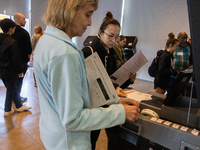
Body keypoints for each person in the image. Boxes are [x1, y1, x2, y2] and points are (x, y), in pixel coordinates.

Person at [33, 0, 140, 150]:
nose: (89, 23)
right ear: (69, 11)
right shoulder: (65, 53)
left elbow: (75, 95)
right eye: (87, 15)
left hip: (54, 134)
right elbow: (73, 119)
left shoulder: (47, 41)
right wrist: (119, 113)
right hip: (70, 143)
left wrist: (113, 102)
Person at [82, 12, 138, 150]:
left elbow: (112, 81)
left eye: (116, 37)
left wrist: (127, 82)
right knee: (87, 141)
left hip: (103, 104)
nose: (113, 40)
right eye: (110, 36)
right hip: (89, 108)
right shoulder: (88, 52)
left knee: (94, 139)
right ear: (100, 33)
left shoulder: (111, 54)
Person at [0, 19, 31, 117]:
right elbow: (15, 58)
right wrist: (19, 70)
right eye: (13, 28)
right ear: (10, 29)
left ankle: (18, 106)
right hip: (9, 69)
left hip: (1, 69)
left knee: (12, 88)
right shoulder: (12, 42)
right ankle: (7, 109)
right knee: (11, 89)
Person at [11, 13, 32, 103]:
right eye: (23, 19)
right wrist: (28, 57)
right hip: (22, 61)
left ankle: (12, 97)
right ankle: (17, 98)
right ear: (18, 20)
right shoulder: (24, 33)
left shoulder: (10, 34)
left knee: (12, 80)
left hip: (11, 61)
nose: (25, 20)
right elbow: (28, 49)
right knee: (19, 80)